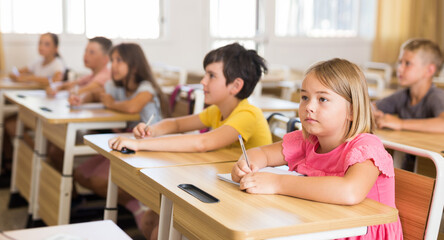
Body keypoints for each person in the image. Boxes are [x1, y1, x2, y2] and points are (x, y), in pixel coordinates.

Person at [108, 42, 272, 239]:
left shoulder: (248, 114)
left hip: (246, 203)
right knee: (150, 221)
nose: (203, 81)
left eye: (211, 76)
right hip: (223, 188)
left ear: (235, 86)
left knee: (158, 232)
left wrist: (139, 144)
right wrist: (151, 130)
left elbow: (202, 143)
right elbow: (176, 124)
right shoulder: (218, 110)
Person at [232, 58, 403, 239]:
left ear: (352, 111)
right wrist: (246, 164)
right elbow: (263, 154)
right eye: (305, 97)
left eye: (322, 99)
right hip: (324, 227)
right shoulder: (307, 141)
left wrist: (277, 183)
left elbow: (349, 192)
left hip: (362, 234)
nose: (309, 107)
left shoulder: (366, 147)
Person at [72, 43, 170, 234]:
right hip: (125, 145)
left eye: (119, 60)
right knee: (81, 174)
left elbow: (133, 107)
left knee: (100, 181)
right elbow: (95, 94)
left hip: (149, 148)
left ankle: (138, 204)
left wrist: (111, 103)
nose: (113, 65)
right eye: (112, 60)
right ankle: (135, 202)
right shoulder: (115, 86)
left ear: (134, 65)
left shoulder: (146, 87)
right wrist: (81, 99)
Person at [373, 38, 444, 133]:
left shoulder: (437, 96)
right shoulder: (402, 95)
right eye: (400, 62)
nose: (400, 69)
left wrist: (401, 123)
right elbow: (372, 106)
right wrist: (374, 112)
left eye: (407, 63)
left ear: (429, 70)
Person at [46, 37, 112, 97]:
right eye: (86, 51)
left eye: (92, 52)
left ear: (105, 59)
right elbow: (69, 84)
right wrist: (55, 87)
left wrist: (66, 90)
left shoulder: (105, 76)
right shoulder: (91, 76)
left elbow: (80, 91)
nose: (86, 55)